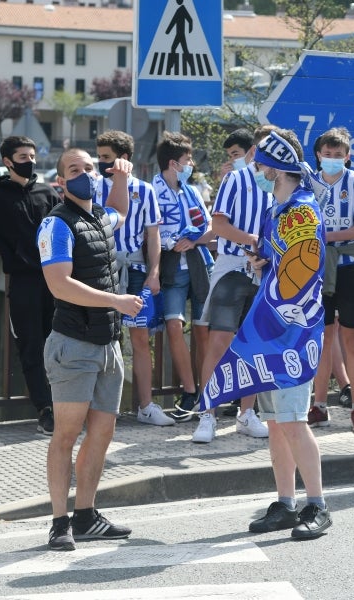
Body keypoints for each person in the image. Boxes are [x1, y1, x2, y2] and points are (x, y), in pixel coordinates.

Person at [219, 129, 330, 539]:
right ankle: (285, 503)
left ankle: (316, 504)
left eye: (263, 162)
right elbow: (280, 262)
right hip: (271, 325)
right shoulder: (279, 207)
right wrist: (261, 260)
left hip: (291, 331)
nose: (258, 168)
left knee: (294, 421)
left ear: (278, 166)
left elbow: (303, 273)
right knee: (277, 422)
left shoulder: (298, 211)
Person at [37, 148, 142, 551]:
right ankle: (59, 522)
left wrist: (121, 177)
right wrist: (115, 301)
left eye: (89, 169)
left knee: (101, 433)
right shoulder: (55, 224)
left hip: (107, 344)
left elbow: (120, 209)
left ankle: (86, 516)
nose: (84, 175)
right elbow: (59, 285)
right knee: (66, 435)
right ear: (61, 181)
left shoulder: (100, 217)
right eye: (74, 170)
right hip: (73, 344)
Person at [0, 136, 61, 435]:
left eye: (32, 155)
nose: (29, 160)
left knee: (58, 345)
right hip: (23, 282)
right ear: (8, 161)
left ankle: (65, 406)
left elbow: (63, 226)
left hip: (56, 281)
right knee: (31, 346)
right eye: (22, 156)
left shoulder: (47, 192)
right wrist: (7, 247)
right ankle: (45, 410)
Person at [192, 127, 273, 443]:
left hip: (264, 271)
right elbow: (219, 224)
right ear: (254, 151)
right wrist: (252, 241)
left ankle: (246, 414)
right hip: (231, 268)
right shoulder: (235, 179)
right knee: (219, 342)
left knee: (253, 344)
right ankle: (207, 414)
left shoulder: (281, 185)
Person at [93, 130, 173, 428]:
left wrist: (154, 272)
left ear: (123, 159)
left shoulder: (144, 190)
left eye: (107, 158)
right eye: (99, 157)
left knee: (140, 339)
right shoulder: (93, 187)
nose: (101, 163)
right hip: (103, 267)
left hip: (136, 269)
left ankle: (145, 405)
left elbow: (152, 235)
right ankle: (99, 407)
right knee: (101, 336)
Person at [309, 127, 354, 434]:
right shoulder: (310, 182)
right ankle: (318, 405)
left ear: (347, 156)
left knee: (352, 337)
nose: (333, 159)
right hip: (318, 267)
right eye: (328, 154)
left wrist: (327, 236)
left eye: (339, 155)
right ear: (319, 155)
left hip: (349, 265)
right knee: (322, 338)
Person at [153, 132, 214, 421]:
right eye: (187, 160)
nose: (191, 165)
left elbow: (208, 224)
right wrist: (177, 238)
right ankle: (189, 392)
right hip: (170, 267)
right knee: (174, 325)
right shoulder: (151, 190)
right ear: (173, 163)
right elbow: (151, 229)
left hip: (199, 264)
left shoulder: (191, 190)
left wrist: (193, 238)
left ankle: (208, 394)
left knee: (204, 331)